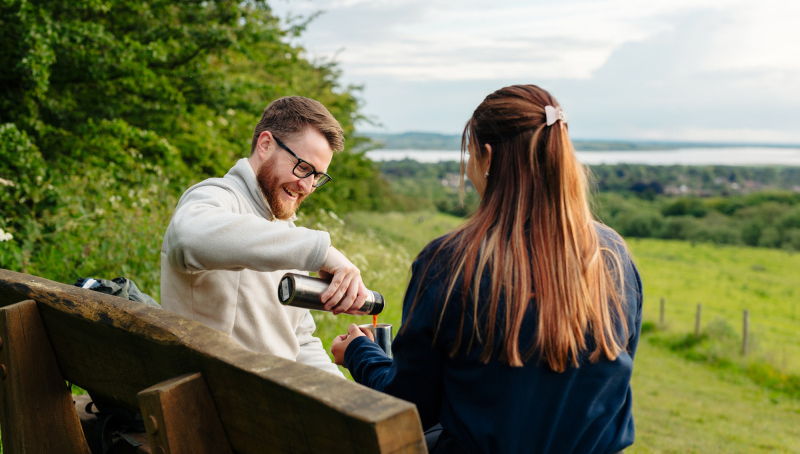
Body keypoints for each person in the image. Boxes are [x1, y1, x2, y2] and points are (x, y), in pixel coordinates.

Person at [331, 85, 643, 452]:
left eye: (470, 154)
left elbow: (410, 407)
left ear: (489, 157)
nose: (467, 169)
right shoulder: (613, 257)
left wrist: (359, 354)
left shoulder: (449, 262)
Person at [162, 96, 369, 378]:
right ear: (266, 145)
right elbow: (187, 237)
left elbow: (299, 338)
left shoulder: (286, 235)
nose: (307, 187)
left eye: (317, 176)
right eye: (303, 168)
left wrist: (344, 400)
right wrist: (322, 251)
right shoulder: (215, 197)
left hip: (268, 404)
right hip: (211, 405)